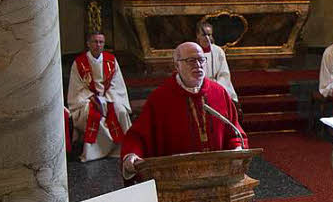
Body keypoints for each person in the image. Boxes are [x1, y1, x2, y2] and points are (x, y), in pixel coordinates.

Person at [121, 42, 247, 179]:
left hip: (218, 175)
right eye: (191, 61)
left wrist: (237, 149)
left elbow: (234, 131)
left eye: (201, 60)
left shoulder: (219, 93)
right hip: (176, 178)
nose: (198, 65)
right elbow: (138, 136)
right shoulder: (161, 98)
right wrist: (131, 155)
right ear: (177, 65)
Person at [66, 32, 132, 162]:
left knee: (121, 111)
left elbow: (117, 84)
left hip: (109, 97)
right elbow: (77, 87)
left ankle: (121, 149)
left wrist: (107, 100)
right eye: (95, 42)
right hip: (87, 99)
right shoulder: (79, 63)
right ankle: (94, 153)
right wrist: (91, 97)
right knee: (90, 115)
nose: (98, 45)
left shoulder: (111, 60)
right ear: (88, 44)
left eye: (101, 42)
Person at [197, 20, 239, 103]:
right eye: (204, 35)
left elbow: (224, 74)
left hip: (217, 87)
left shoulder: (218, 51)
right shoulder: (193, 50)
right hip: (199, 89)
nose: (207, 38)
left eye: (209, 35)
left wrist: (216, 87)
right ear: (198, 35)